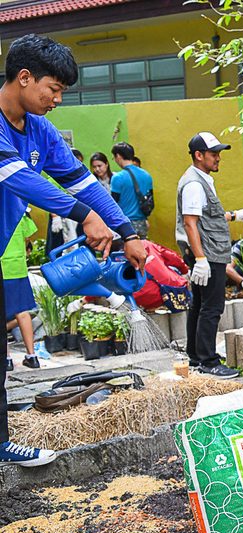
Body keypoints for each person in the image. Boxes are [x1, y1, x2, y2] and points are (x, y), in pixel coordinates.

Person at [1, 34, 146, 466]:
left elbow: (83, 183)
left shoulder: (40, 130)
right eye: (54, 89)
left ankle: (1, 445)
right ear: (24, 77)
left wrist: (127, 232)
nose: (58, 99)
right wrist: (84, 216)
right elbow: (17, 178)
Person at [177, 131, 243, 378]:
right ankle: (208, 361)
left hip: (206, 252)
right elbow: (190, 222)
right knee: (211, 307)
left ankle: (195, 355)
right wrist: (201, 259)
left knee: (200, 304)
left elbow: (206, 215)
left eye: (219, 153)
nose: (218, 158)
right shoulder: (193, 184)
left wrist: (234, 215)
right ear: (198, 155)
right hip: (207, 253)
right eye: (213, 154)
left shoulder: (201, 180)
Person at [4, 210, 40, 371]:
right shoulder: (19, 213)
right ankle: (32, 356)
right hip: (18, 268)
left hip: (2, 268)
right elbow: (28, 237)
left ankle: (6, 359)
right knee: (22, 311)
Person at [132, 239, 191, 313]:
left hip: (145, 298)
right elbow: (173, 257)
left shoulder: (119, 257)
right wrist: (184, 270)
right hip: (172, 290)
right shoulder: (146, 244)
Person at [110, 141, 153, 239]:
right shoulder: (146, 175)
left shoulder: (118, 178)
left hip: (125, 224)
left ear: (118, 156)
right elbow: (150, 200)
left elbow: (113, 203)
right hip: (142, 223)